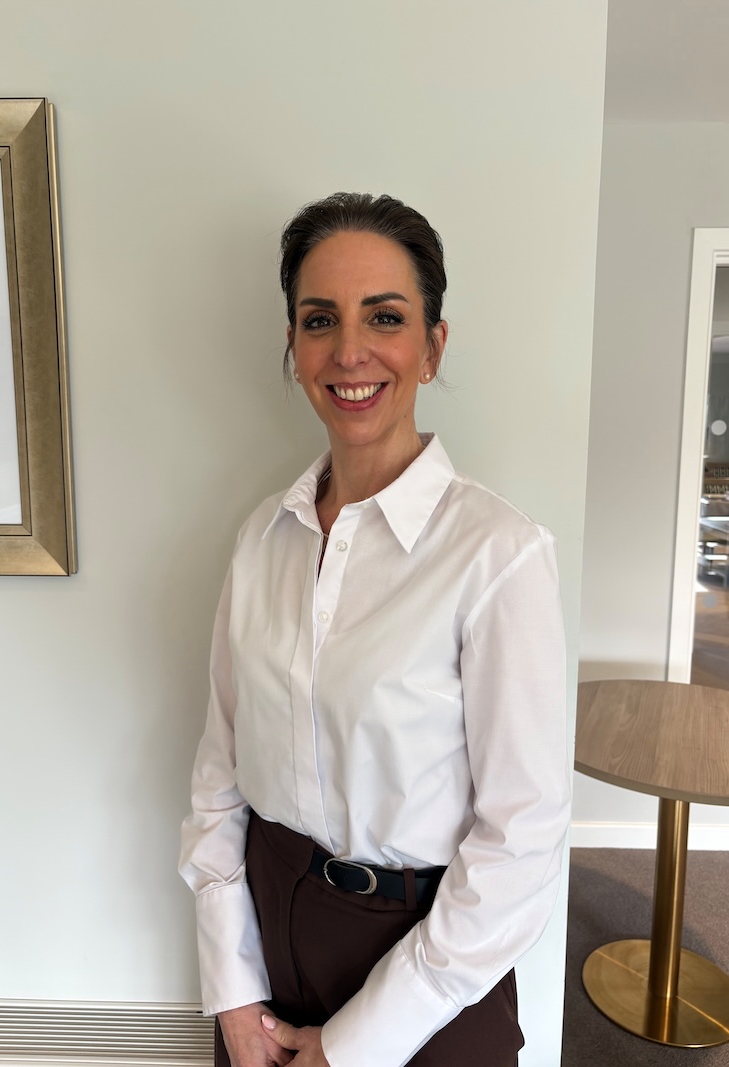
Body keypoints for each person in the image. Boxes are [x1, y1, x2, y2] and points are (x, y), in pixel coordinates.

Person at [179, 192, 570, 1067]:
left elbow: (522, 840)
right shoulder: (260, 541)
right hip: (265, 933)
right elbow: (218, 774)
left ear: (431, 346)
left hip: (434, 957)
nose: (349, 351)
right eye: (320, 319)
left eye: (384, 317)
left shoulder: (498, 556)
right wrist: (234, 995)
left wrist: (356, 1044)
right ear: (293, 346)